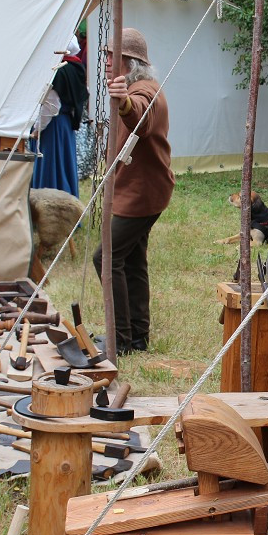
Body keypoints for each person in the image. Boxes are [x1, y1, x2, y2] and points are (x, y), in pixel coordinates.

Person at [94, 28, 174, 355]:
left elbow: (139, 114)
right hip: (141, 191)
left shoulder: (145, 91)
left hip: (143, 194)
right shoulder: (137, 86)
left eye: (112, 55)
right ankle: (138, 337)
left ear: (129, 61)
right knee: (132, 261)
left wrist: (124, 102)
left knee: (107, 257)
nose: (106, 60)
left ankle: (122, 339)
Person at [32, 37, 88, 195]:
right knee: (63, 167)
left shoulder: (58, 70)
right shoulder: (76, 66)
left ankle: (51, 211)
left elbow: (51, 106)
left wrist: (38, 129)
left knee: (51, 167)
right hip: (65, 125)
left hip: (52, 126)